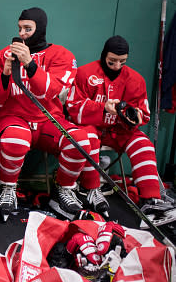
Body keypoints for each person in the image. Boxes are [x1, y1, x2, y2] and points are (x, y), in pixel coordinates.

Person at [0, 7, 108, 221]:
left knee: (80, 141)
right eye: (20, 28)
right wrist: (4, 76)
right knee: (15, 139)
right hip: (14, 118)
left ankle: (64, 190)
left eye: (28, 29)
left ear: (40, 29)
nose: (22, 33)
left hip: (48, 120)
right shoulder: (5, 55)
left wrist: (30, 64)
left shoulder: (62, 55)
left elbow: (52, 92)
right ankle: (8, 189)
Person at [66, 35, 172, 212]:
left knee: (143, 144)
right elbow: (73, 107)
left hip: (119, 130)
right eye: (112, 61)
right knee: (87, 136)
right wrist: (103, 107)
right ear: (104, 55)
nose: (117, 66)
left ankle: (151, 200)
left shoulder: (135, 80)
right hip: (92, 126)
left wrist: (132, 117)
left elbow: (143, 114)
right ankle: (91, 188)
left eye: (122, 62)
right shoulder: (85, 73)